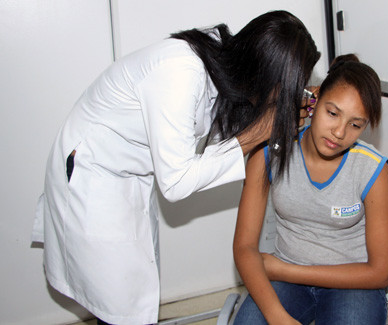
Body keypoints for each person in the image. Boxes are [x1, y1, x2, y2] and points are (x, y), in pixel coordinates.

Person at [31, 10, 320, 325]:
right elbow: (177, 183)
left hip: (130, 174)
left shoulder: (227, 66)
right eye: (289, 88)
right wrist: (258, 133)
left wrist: (273, 128)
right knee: (118, 299)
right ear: (266, 73)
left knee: (132, 290)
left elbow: (223, 129)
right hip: (92, 172)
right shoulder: (181, 70)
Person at [232, 54, 388, 325]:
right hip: (284, 279)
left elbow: (381, 273)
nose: (340, 133)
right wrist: (276, 316)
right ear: (315, 100)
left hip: (353, 283)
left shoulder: (372, 170)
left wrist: (286, 270)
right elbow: (244, 247)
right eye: (332, 113)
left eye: (356, 125)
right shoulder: (269, 152)